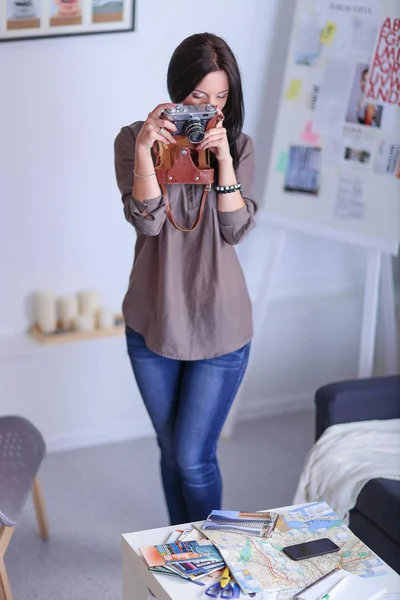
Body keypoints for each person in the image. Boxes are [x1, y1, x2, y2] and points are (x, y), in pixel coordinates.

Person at [114, 33, 257, 525]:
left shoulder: (237, 145)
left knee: (194, 459)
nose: (211, 110)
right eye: (198, 98)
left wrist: (222, 162)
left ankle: (215, 559)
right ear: (177, 92)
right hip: (153, 320)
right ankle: (184, 559)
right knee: (169, 449)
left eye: (221, 98)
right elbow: (148, 221)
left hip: (220, 326)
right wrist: (145, 150)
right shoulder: (134, 140)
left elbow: (236, 229)